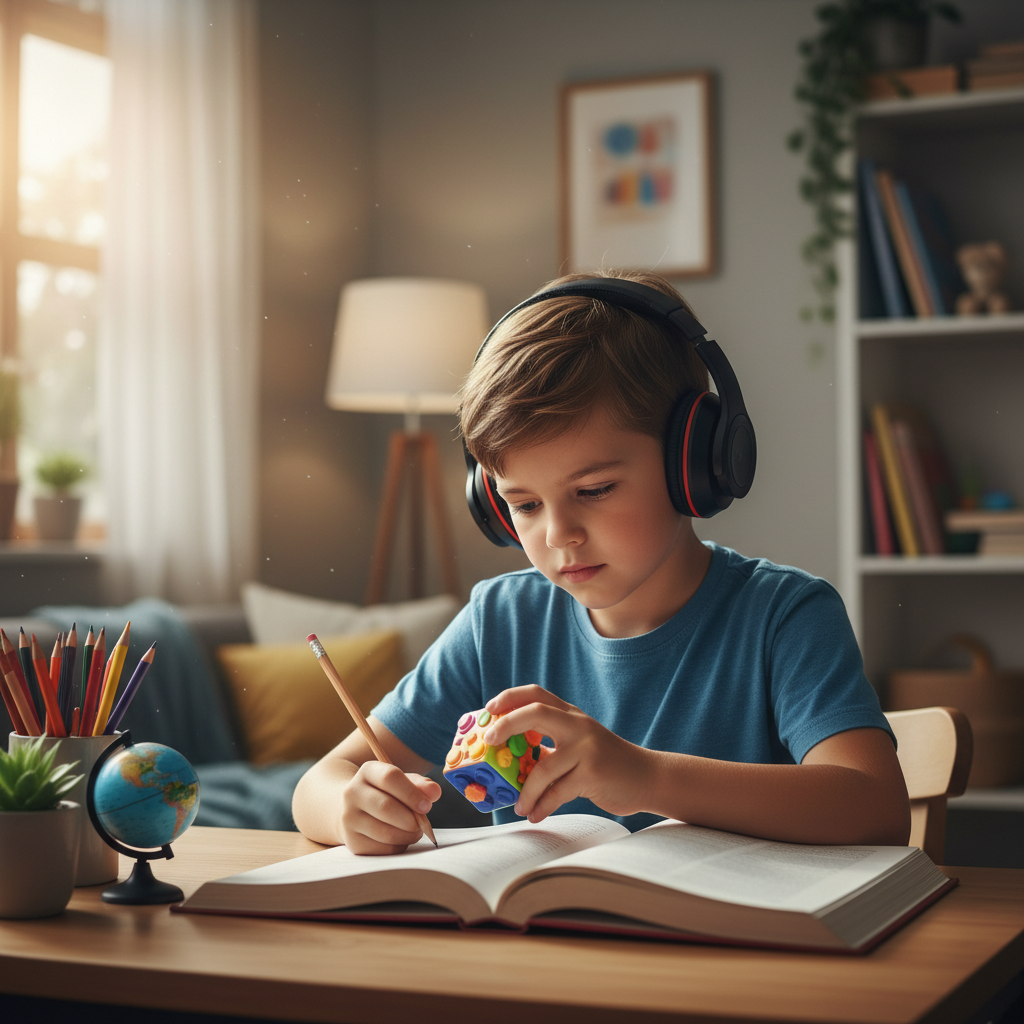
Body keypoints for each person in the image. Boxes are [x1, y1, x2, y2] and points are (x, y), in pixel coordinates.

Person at [292, 269, 910, 855]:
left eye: (594, 491)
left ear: (691, 465)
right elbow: (319, 784)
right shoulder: (499, 622)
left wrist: (644, 776)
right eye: (525, 504)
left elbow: (876, 808)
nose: (559, 535)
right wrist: (353, 806)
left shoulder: (784, 616)